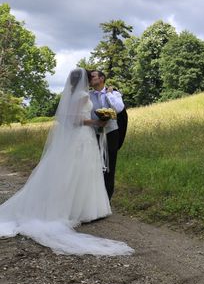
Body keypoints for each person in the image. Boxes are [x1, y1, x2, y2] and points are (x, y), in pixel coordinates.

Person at [0, 68, 133, 256]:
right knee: (80, 171)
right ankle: (79, 209)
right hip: (83, 136)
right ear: (84, 80)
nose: (91, 79)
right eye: (90, 77)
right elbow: (74, 119)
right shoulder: (80, 94)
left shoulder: (78, 93)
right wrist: (96, 123)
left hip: (85, 137)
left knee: (84, 171)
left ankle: (86, 208)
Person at [89, 70, 125, 200]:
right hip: (93, 134)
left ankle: (107, 200)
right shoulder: (88, 95)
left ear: (102, 78)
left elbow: (119, 108)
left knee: (109, 167)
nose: (90, 79)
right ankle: (95, 200)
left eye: (93, 77)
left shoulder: (114, 93)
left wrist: (109, 94)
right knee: (94, 167)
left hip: (111, 133)